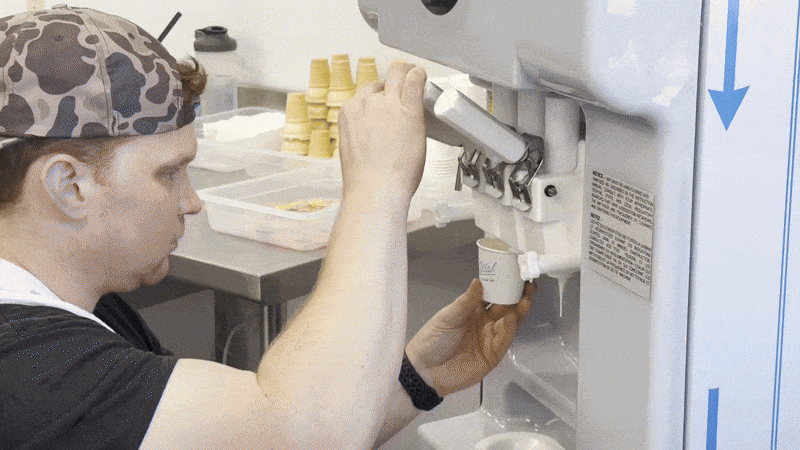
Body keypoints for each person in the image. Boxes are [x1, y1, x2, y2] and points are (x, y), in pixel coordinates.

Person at [0, 6, 534, 449]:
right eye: (169, 174)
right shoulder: (30, 368)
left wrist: (419, 376)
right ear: (67, 186)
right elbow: (300, 432)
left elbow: (259, 435)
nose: (192, 203)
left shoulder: (66, 305)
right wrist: (378, 186)